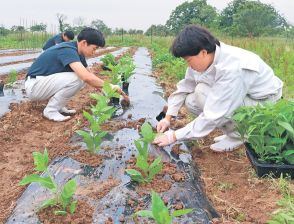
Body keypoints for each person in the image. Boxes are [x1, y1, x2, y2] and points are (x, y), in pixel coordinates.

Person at [153, 25, 283, 152]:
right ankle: (232, 132)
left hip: (265, 104)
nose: (188, 65)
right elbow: (184, 87)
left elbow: (215, 113)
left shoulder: (233, 67)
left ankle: (239, 136)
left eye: (188, 60)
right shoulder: (206, 58)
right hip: (244, 98)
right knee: (192, 100)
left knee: (203, 94)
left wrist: (173, 136)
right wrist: (167, 118)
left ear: (203, 52)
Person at [25, 27, 129, 122]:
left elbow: (89, 74)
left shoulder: (78, 53)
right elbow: (86, 77)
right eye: (94, 48)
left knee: (81, 78)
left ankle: (58, 106)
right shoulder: (67, 50)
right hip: (35, 86)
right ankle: (51, 111)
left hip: (44, 83)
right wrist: (111, 86)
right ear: (84, 43)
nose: (95, 52)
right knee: (78, 78)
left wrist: (105, 90)